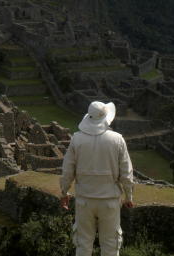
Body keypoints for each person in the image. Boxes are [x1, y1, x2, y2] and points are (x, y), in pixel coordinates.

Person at [59, 101, 134, 256]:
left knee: (83, 244)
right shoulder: (117, 139)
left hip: (84, 201)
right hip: (109, 201)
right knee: (110, 246)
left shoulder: (77, 139)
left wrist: (64, 192)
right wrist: (129, 196)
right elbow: (126, 173)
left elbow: (67, 171)